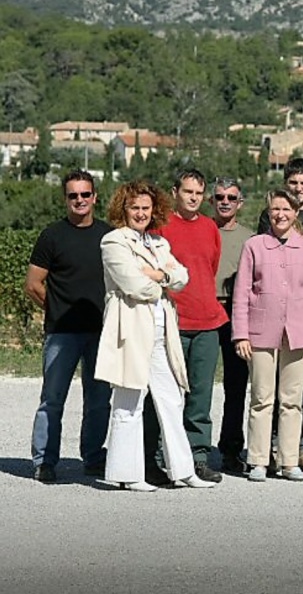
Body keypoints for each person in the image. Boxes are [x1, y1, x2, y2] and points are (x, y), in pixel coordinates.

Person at [97, 181, 215, 492]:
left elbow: (182, 276)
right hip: (130, 330)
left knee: (172, 398)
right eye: (134, 207)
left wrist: (159, 275)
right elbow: (133, 285)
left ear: (154, 210)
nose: (140, 213)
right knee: (129, 401)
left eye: (145, 208)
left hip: (163, 330)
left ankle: (183, 470)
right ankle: (127, 473)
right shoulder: (113, 242)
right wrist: (161, 281)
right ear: (124, 209)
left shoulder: (158, 244)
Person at [232, 190, 303, 483]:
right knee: (262, 398)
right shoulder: (254, 246)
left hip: (299, 332)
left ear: (295, 212)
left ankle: (289, 460)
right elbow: (241, 294)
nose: (280, 214)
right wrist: (241, 335)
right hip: (261, 331)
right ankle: (259, 460)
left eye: (286, 209)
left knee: (292, 400)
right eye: (275, 209)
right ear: (268, 212)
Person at [26, 170, 113, 483]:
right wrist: (57, 309)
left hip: (102, 332)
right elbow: (33, 284)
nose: (80, 200)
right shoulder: (52, 236)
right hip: (61, 333)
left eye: (85, 194)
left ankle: (93, 457)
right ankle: (44, 461)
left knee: (99, 400)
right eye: (73, 195)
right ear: (65, 199)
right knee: (52, 399)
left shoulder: (109, 236)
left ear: (94, 197)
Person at [153, 169, 226, 484]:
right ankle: (160, 458)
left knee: (200, 396)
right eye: (188, 192)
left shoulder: (210, 227)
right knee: (167, 395)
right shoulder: (161, 228)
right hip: (174, 323)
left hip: (208, 322)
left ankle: (197, 457)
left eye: (199, 193)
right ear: (175, 192)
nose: (194, 198)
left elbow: (209, 267)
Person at [209, 177, 255, 474]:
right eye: (220, 197)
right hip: (204, 310)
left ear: (240, 203)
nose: (225, 202)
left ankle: (230, 449)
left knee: (236, 387)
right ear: (210, 201)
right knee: (193, 385)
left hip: (237, 313)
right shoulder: (201, 230)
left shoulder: (251, 238)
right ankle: (190, 447)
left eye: (231, 197)